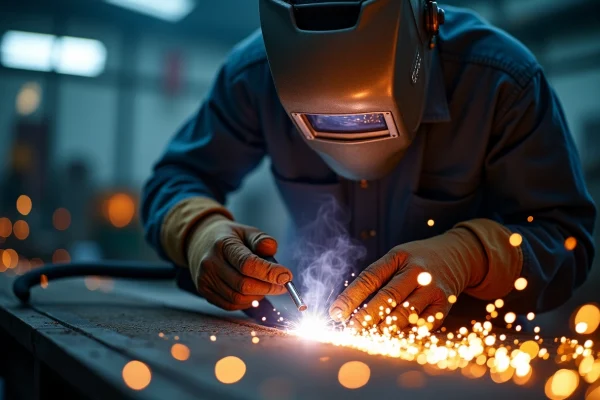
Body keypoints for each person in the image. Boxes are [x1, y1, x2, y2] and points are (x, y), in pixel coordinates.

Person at [141, 0, 596, 329]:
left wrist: (473, 256)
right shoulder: (255, 74)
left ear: (424, 29)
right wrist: (197, 231)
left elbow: (567, 238)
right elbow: (177, 178)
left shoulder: (502, 82)